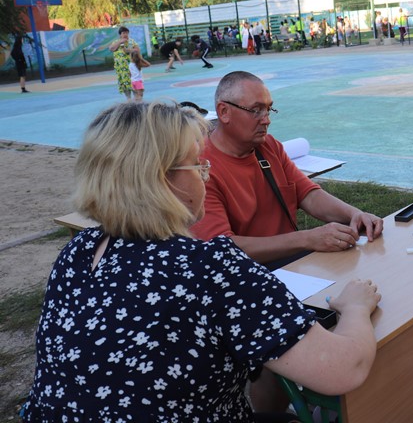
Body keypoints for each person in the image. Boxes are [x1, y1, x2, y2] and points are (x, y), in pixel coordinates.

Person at [20, 100, 382, 421]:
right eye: (197, 166)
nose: (205, 177)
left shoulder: (79, 250)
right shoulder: (209, 267)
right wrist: (354, 308)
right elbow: (343, 369)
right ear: (162, 180)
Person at [190, 71, 384, 270]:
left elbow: (308, 194)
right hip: (248, 278)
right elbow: (222, 250)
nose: (266, 120)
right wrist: (307, 239)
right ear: (224, 112)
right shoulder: (198, 168)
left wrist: (355, 214)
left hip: (293, 265)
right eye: (256, 110)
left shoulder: (268, 146)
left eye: (268, 109)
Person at [108, 26, 140, 99]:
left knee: (134, 81)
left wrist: (128, 50)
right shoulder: (116, 42)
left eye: (126, 33)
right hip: (121, 68)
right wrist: (120, 42)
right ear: (120, 34)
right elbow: (111, 49)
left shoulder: (132, 41)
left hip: (131, 66)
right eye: (123, 33)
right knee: (124, 83)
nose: (125, 34)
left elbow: (137, 50)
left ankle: (136, 98)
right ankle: (128, 99)